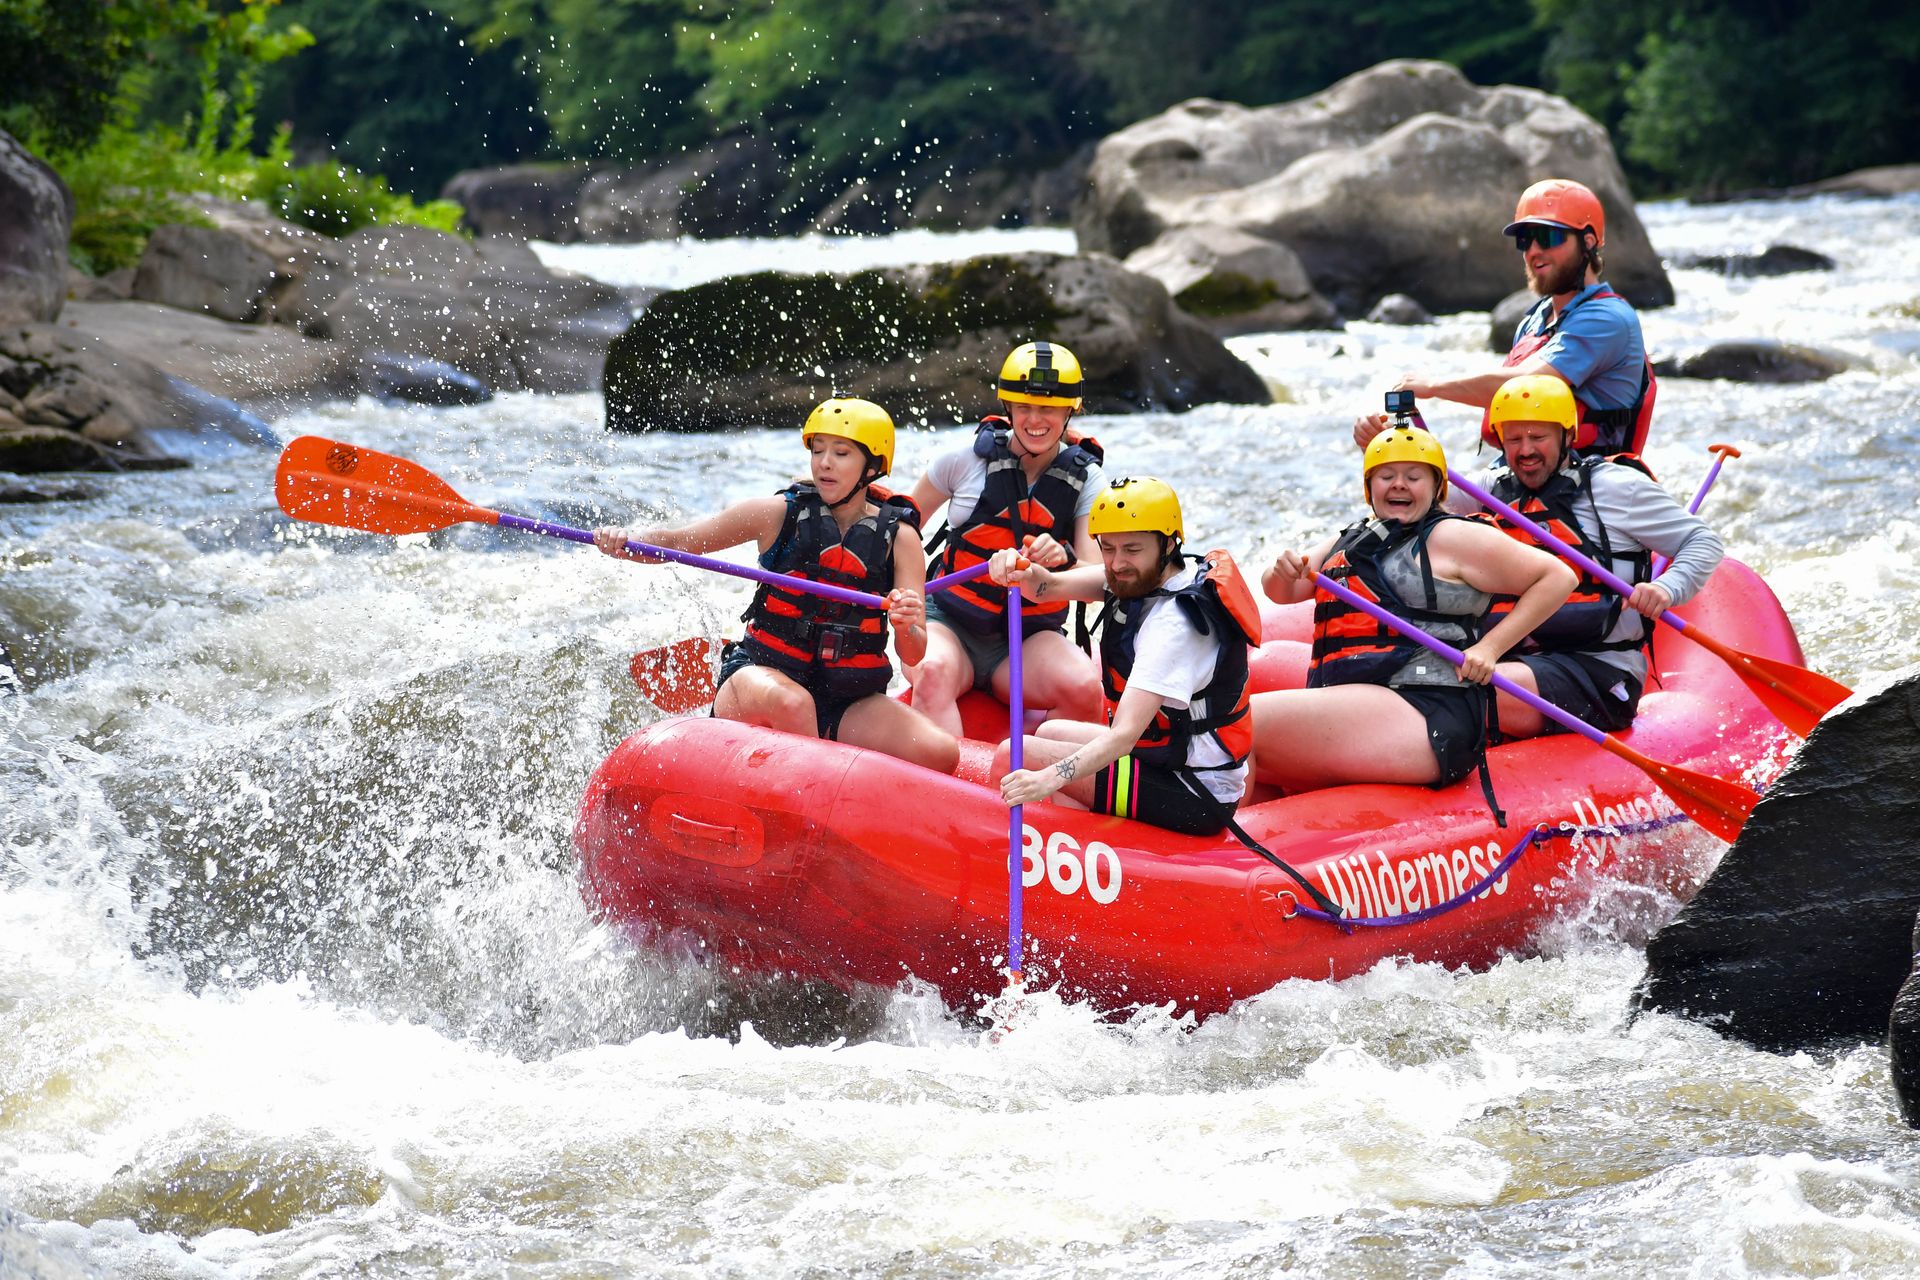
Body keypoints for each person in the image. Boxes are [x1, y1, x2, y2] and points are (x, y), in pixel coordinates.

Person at [593, 397, 958, 773]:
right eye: (817, 451)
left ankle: (829, 767)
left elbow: (913, 654)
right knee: (794, 705)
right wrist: (624, 541)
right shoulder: (779, 514)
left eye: (841, 453)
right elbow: (677, 542)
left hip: (846, 697)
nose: (824, 462)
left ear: (873, 466)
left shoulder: (900, 538)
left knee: (940, 752)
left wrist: (905, 623)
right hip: (761, 675)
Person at [1250, 425, 1575, 795]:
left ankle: (1224, 850)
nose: (1399, 485)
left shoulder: (1454, 536)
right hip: (1361, 707)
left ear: (1438, 487)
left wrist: (1490, 648)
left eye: (1413, 476)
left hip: (1426, 712)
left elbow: (1557, 577)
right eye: (1386, 476)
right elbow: (1282, 592)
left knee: (1242, 724)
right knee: (1258, 772)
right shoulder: (1353, 539)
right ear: (1369, 488)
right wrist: (1280, 571)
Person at [1447, 373, 1724, 740]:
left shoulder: (1615, 487)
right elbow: (1427, 498)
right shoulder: (1491, 489)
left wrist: (1667, 588)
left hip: (1599, 671)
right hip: (1515, 659)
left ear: (1567, 436)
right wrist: (1391, 449)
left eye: (1538, 437)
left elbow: (1701, 541)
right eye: (1513, 439)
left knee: (1460, 690)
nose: (1525, 450)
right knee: (1424, 678)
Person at [989, 477, 1263, 837]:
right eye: (1108, 548)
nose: (1117, 564)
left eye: (1132, 549)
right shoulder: (1144, 578)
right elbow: (1047, 587)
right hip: (1166, 761)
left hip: (1195, 793)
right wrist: (1014, 567)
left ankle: (1054, 858)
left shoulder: (1174, 627)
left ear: (1167, 544)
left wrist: (1046, 779)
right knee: (1051, 731)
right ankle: (1084, 847)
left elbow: (1123, 738)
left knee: (1015, 754)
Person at [1354, 178, 1656, 459]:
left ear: (1588, 242)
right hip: (1528, 479)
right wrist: (1386, 442)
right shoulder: (1535, 320)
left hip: (1592, 483)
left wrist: (1433, 386)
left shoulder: (1606, 319)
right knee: (1406, 494)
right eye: (1525, 240)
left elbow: (1528, 385)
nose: (1534, 251)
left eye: (1547, 237)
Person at [905, 341, 1106, 736]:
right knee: (930, 671)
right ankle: (947, 786)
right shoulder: (961, 462)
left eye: (1048, 408)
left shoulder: (1088, 481)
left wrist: (1062, 560)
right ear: (1007, 407)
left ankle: (1043, 777)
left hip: (1027, 641)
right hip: (949, 622)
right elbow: (898, 533)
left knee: (1085, 688)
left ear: (1071, 410)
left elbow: (1098, 579)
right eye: (1024, 407)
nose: (1035, 419)